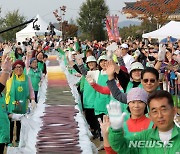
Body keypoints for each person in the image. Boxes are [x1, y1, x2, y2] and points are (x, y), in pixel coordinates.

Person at [107, 90, 179, 154]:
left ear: (174, 111)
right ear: (150, 115)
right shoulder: (143, 138)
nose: (160, 115)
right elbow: (121, 146)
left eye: (164, 110)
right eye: (154, 111)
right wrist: (116, 130)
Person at [99, 87, 154, 154]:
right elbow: (112, 152)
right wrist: (105, 135)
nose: (136, 106)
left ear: (145, 104)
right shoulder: (120, 126)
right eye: (133, 102)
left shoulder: (153, 124)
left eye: (140, 102)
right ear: (128, 104)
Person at [5, 60, 36, 145]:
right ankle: (10, 141)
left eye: (20, 67)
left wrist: (32, 99)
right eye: (17, 67)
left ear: (23, 68)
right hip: (11, 104)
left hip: (22, 105)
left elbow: (30, 90)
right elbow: (7, 91)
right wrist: (6, 104)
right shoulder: (10, 78)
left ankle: (18, 140)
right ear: (14, 69)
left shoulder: (27, 78)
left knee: (19, 123)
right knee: (11, 124)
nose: (19, 69)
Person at [0, 57, 12, 154]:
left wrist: (11, 114)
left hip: (2, 134)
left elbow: (4, 111)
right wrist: (6, 71)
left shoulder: (2, 96)